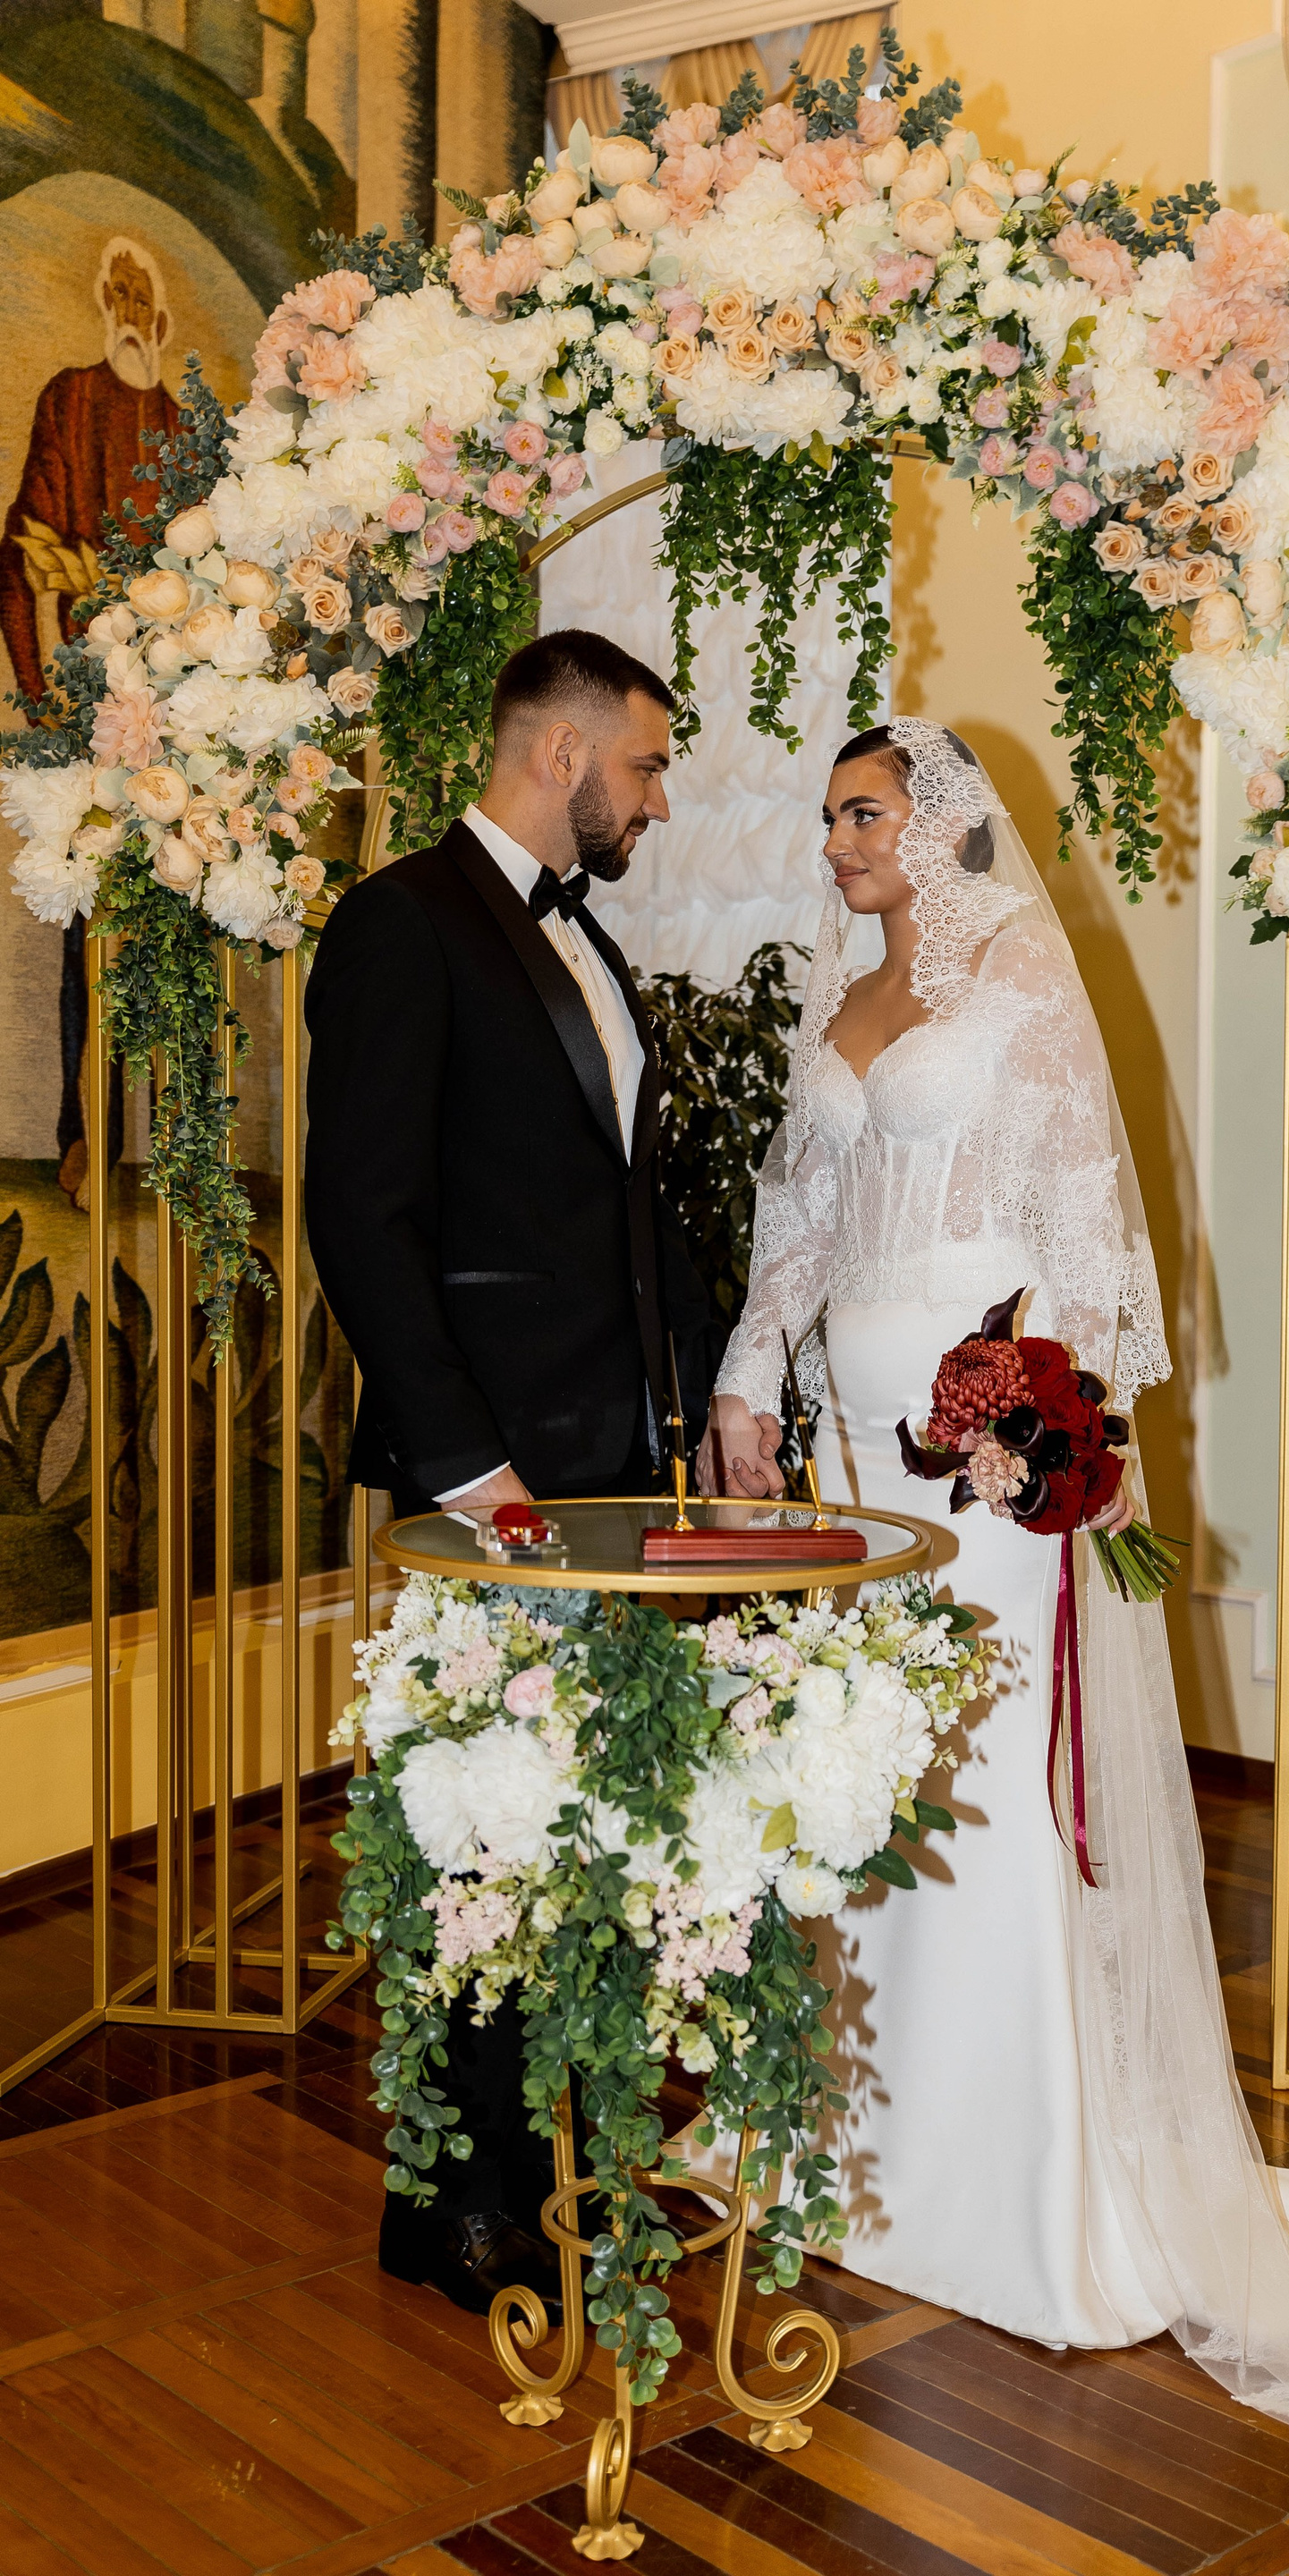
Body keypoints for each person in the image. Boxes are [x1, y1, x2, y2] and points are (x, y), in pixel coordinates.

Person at [698, 716, 1289, 2475]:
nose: (838, 842)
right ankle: (856, 2134)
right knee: (863, 1766)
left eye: (865, 813)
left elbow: (1087, 1238)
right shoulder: (839, 994)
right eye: (833, 816)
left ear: (943, 824)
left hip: (983, 1447)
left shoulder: (1022, 979)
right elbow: (800, 1210)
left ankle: (1018, 2173)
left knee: (992, 1767)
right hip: (855, 1452)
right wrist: (745, 1377)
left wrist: (1042, 1422)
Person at [305, 626, 708, 2320]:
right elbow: (359, 1212)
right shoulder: (402, 922)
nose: (656, 800)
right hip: (489, 1479)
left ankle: (571, 2164)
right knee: (478, 1832)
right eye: (646, 764)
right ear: (562, 753)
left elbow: (617, 1213)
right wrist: (468, 1465)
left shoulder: (582, 938)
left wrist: (698, 1402)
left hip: (607, 1461)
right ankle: (454, 2207)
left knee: (585, 1818)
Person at [0, 236, 179, 1204]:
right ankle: (86, 1137)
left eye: (141, 296)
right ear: (105, 306)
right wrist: (41, 694)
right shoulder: (69, 402)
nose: (128, 310)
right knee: (89, 943)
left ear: (159, 317)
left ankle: (182, 1149)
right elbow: (24, 548)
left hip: (179, 729)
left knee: (177, 940)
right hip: (90, 726)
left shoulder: (182, 427)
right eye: (117, 293)